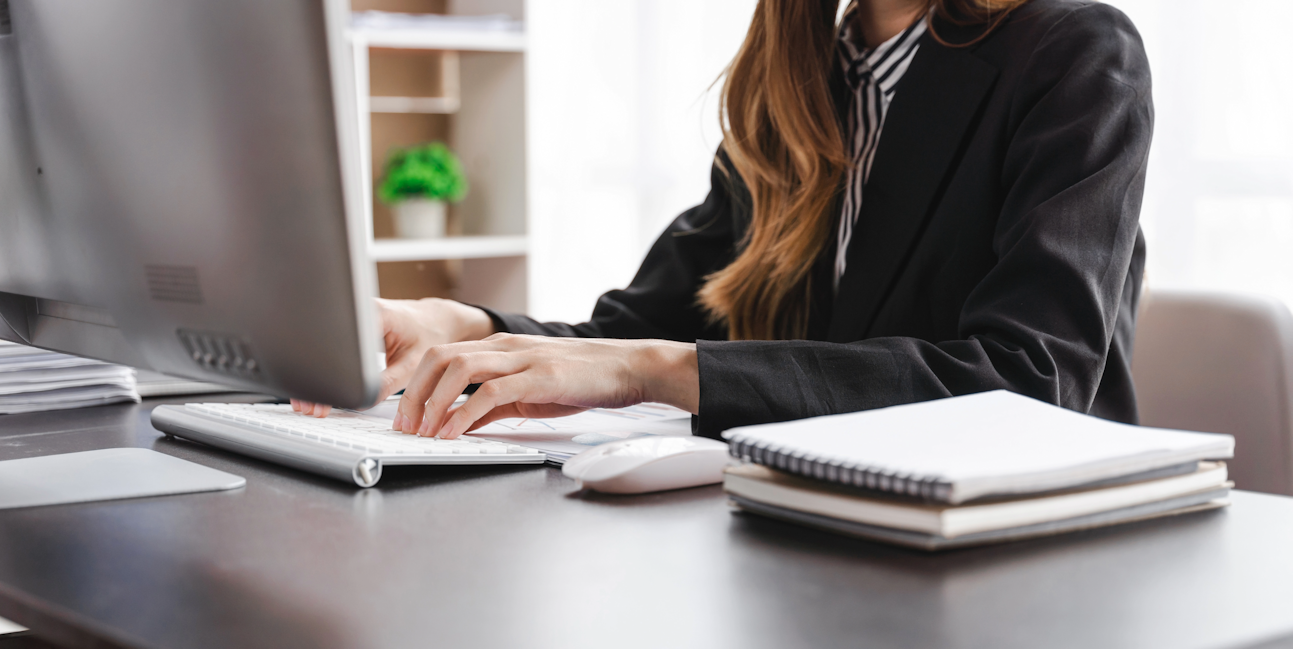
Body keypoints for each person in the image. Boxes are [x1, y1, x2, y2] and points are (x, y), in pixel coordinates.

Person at [295, 0, 1152, 442]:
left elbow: (1029, 383)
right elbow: (642, 332)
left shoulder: (1073, 52)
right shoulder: (802, 76)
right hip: (823, 532)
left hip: (1027, 553)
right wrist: (464, 324)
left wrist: (650, 368)